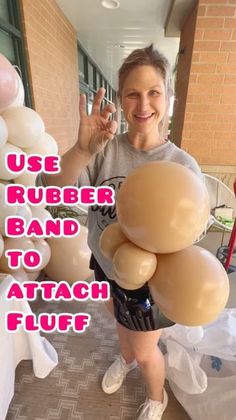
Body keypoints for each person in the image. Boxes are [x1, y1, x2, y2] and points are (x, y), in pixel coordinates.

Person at [39, 44, 203, 419]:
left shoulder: (182, 165)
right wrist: (81, 150)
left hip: (149, 282)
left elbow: (189, 237)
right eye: (132, 93)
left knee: (147, 351)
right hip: (106, 265)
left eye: (153, 92)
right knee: (120, 326)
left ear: (168, 97)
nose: (143, 103)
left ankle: (155, 397)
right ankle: (124, 358)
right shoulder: (103, 148)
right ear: (120, 99)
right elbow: (52, 190)